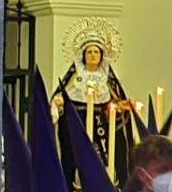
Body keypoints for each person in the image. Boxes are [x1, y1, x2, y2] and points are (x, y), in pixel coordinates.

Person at [52, 17, 136, 182]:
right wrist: (58, 104)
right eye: (89, 52)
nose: (93, 55)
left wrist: (121, 107)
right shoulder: (75, 77)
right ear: (83, 55)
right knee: (74, 156)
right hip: (76, 124)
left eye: (96, 52)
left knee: (104, 158)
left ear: (102, 55)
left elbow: (116, 102)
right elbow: (59, 99)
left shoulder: (107, 79)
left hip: (102, 127)